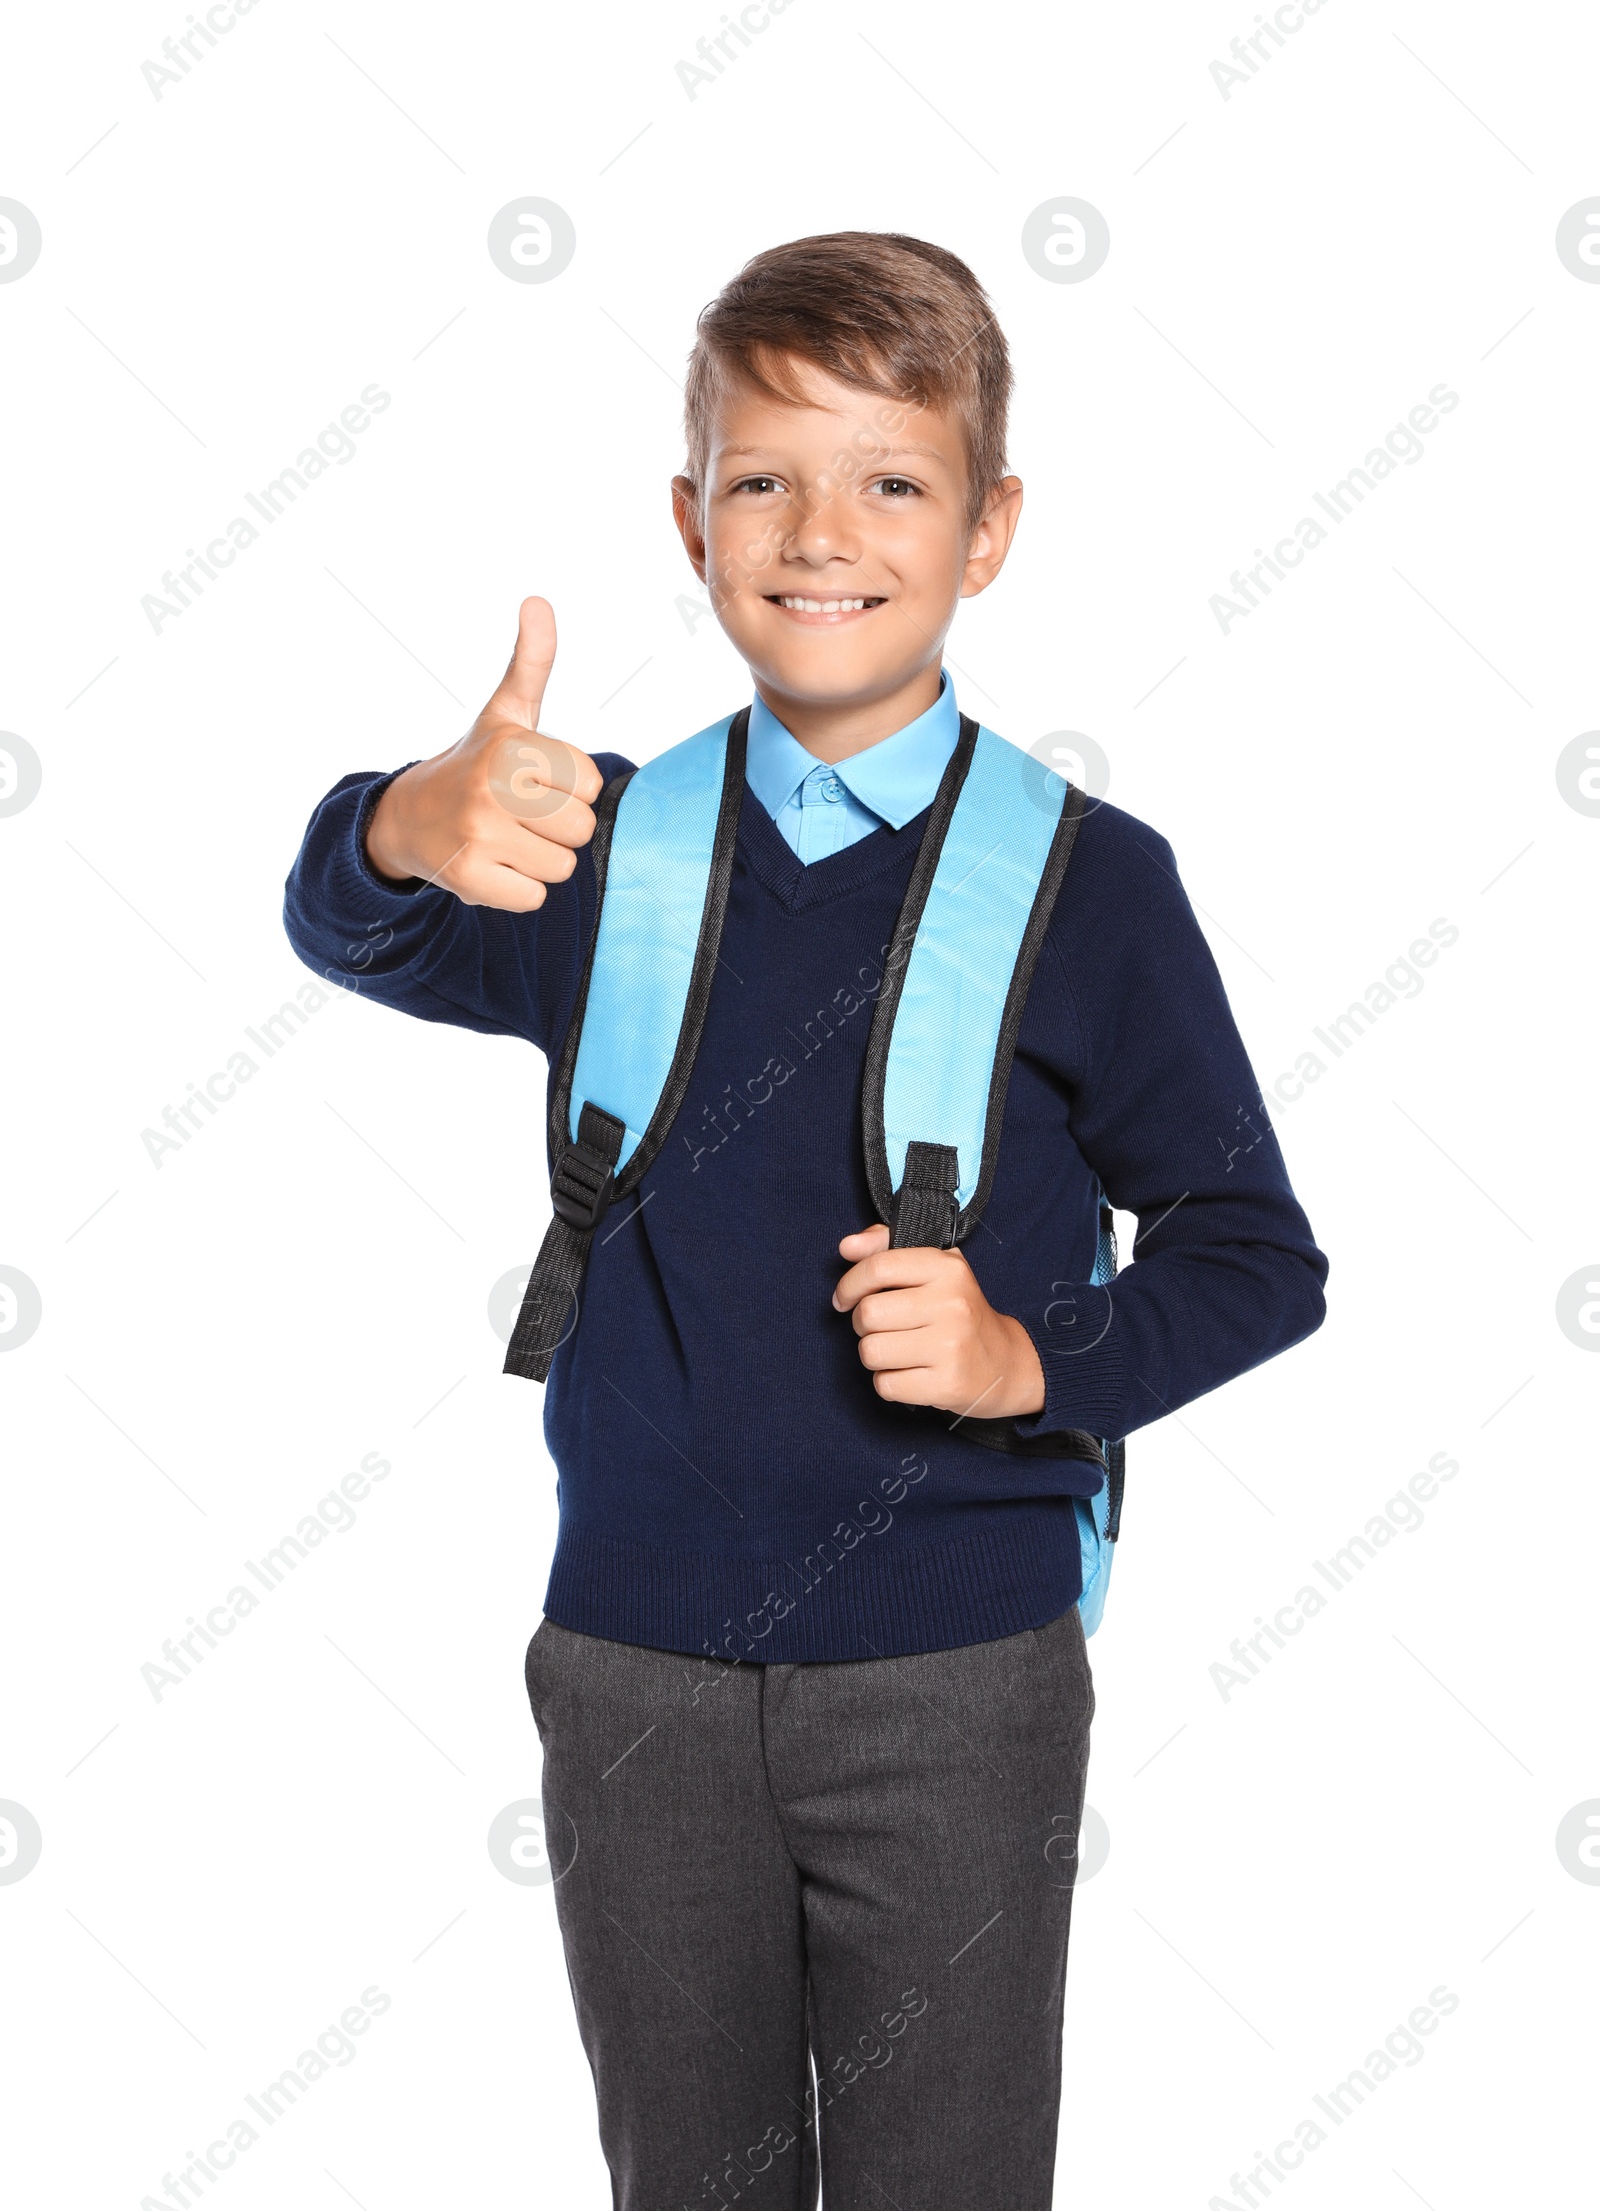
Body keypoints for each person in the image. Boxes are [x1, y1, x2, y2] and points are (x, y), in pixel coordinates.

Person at [284, 230, 1328, 2210]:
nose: (819, 530)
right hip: (631, 1672)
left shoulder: (1088, 884)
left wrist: (1033, 1355)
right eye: (761, 477)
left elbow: (1250, 1250)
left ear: (988, 525)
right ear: (688, 522)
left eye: (893, 480)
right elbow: (365, 924)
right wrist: (394, 823)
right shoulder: (591, 844)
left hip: (954, 1682)